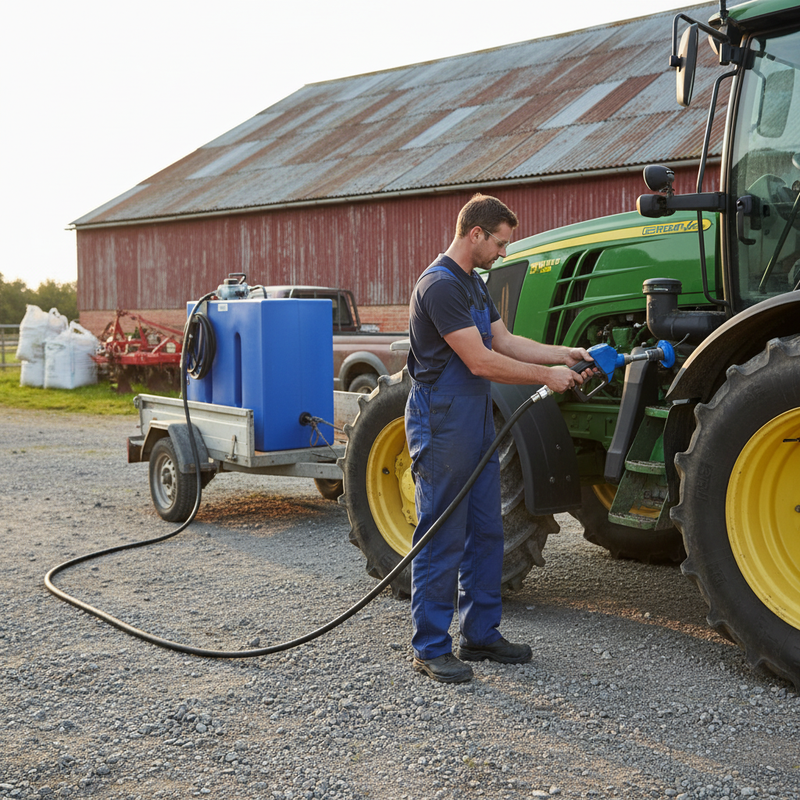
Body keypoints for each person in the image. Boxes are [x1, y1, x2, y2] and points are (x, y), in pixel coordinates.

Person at [405, 193, 595, 683]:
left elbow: (504, 341)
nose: (504, 253)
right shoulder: (440, 286)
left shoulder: (473, 283)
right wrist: (543, 377)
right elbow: (480, 361)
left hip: (475, 416)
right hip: (442, 417)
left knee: (489, 530)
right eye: (501, 243)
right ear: (476, 234)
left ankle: (480, 634)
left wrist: (564, 354)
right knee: (442, 533)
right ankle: (429, 646)